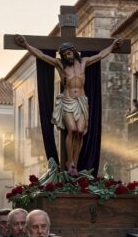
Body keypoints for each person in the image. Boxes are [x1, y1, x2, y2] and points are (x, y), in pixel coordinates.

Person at [15, 34, 122, 174]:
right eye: (65, 54)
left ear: (73, 52)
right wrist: (27, 46)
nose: (67, 56)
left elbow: (101, 55)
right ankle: (69, 161)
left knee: (80, 132)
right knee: (72, 130)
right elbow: (42, 56)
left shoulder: (84, 62)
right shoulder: (60, 65)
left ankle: (74, 164)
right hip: (67, 101)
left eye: (69, 53)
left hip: (82, 101)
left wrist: (112, 47)